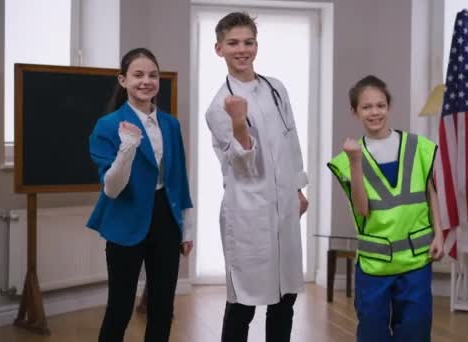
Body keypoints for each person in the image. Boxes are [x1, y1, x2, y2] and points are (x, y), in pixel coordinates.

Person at [205, 12, 309, 342]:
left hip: (284, 207)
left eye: (248, 42)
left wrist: (298, 187)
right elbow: (243, 166)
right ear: (218, 49)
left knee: (286, 297)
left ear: (256, 46)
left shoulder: (276, 89)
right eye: (233, 43)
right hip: (248, 213)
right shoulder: (217, 106)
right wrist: (238, 122)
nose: (242, 49)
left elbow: (291, 139)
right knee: (244, 303)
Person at [87, 47, 194, 342]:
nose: (146, 81)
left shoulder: (170, 124)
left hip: (166, 220)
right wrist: (128, 147)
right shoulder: (107, 126)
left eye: (153, 75)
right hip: (124, 217)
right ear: (123, 80)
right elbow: (112, 188)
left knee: (162, 307)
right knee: (120, 308)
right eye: (138, 75)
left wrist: (187, 227)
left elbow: (178, 178)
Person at [327, 75, 444, 342]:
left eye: (380, 105)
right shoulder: (349, 158)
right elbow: (362, 209)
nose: (375, 112)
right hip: (374, 265)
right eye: (367, 107)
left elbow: (429, 192)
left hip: (417, 260)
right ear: (355, 112)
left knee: (415, 329)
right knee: (372, 331)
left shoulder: (418, 148)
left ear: (389, 107)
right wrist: (355, 161)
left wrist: (439, 233)